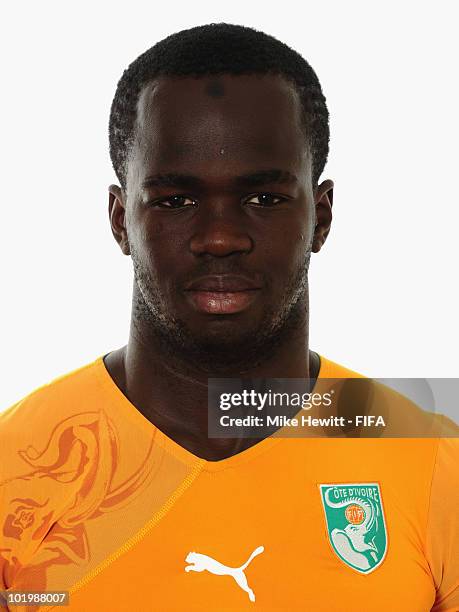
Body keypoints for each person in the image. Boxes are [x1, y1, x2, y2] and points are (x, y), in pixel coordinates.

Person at [0, 23, 457, 612]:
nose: (219, 237)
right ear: (120, 220)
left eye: (263, 198)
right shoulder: (20, 467)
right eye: (175, 200)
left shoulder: (427, 457)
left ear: (320, 216)